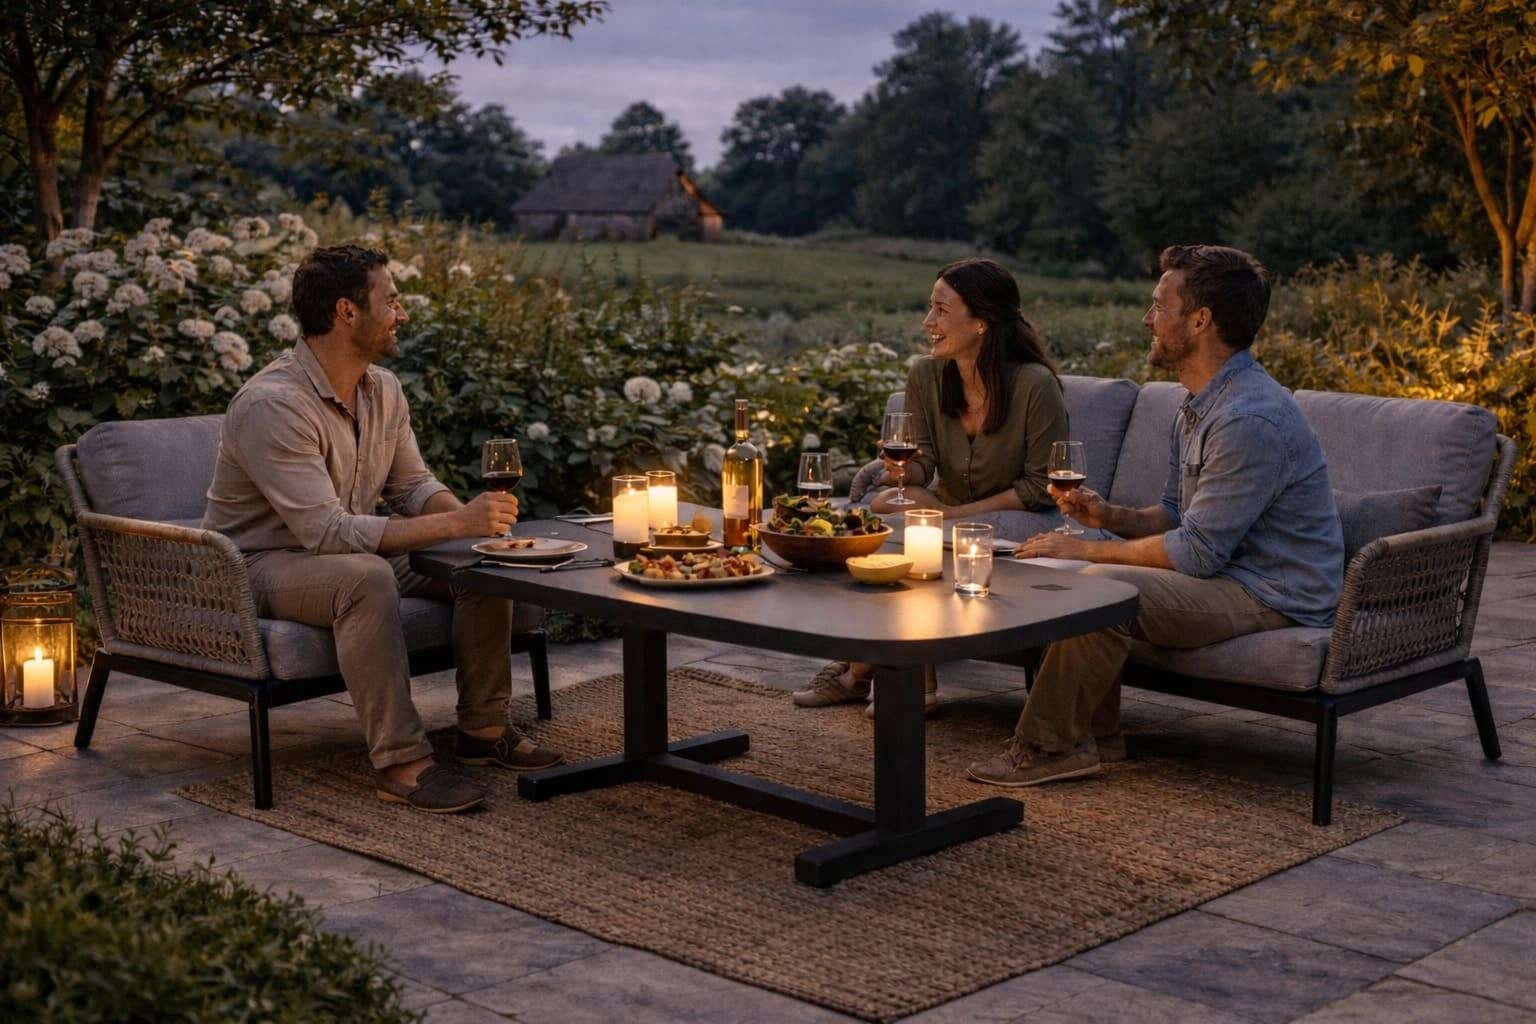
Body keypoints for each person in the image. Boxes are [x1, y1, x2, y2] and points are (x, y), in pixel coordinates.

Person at [202, 243, 562, 815]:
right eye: (391, 300)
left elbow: (412, 487)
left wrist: (479, 529)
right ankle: (400, 762)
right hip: (259, 563)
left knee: (482, 560)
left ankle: (484, 732)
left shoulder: (382, 388)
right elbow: (325, 532)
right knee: (364, 579)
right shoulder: (273, 404)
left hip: (337, 550)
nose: (403, 312)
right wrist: (459, 519)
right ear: (347, 311)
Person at [967, 244, 1344, 787]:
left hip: (1273, 592)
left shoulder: (1248, 419)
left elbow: (1195, 554)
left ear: (1200, 320)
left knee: (1096, 587)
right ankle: (1097, 736)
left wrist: (1087, 548)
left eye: (1159, 307)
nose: (1148, 320)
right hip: (1228, 573)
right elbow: (1175, 514)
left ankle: (1047, 747)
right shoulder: (1197, 404)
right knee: (1066, 577)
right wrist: (1105, 514)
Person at [792, 257, 1070, 716]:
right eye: (929, 308)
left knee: (928, 537)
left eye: (941, 310)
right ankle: (897, 671)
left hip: (1022, 521)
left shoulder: (1034, 386)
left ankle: (863, 670)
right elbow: (923, 464)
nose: (928, 323)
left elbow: (1041, 487)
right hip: (956, 513)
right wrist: (903, 473)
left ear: (981, 321)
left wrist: (951, 514)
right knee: (880, 520)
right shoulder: (926, 374)